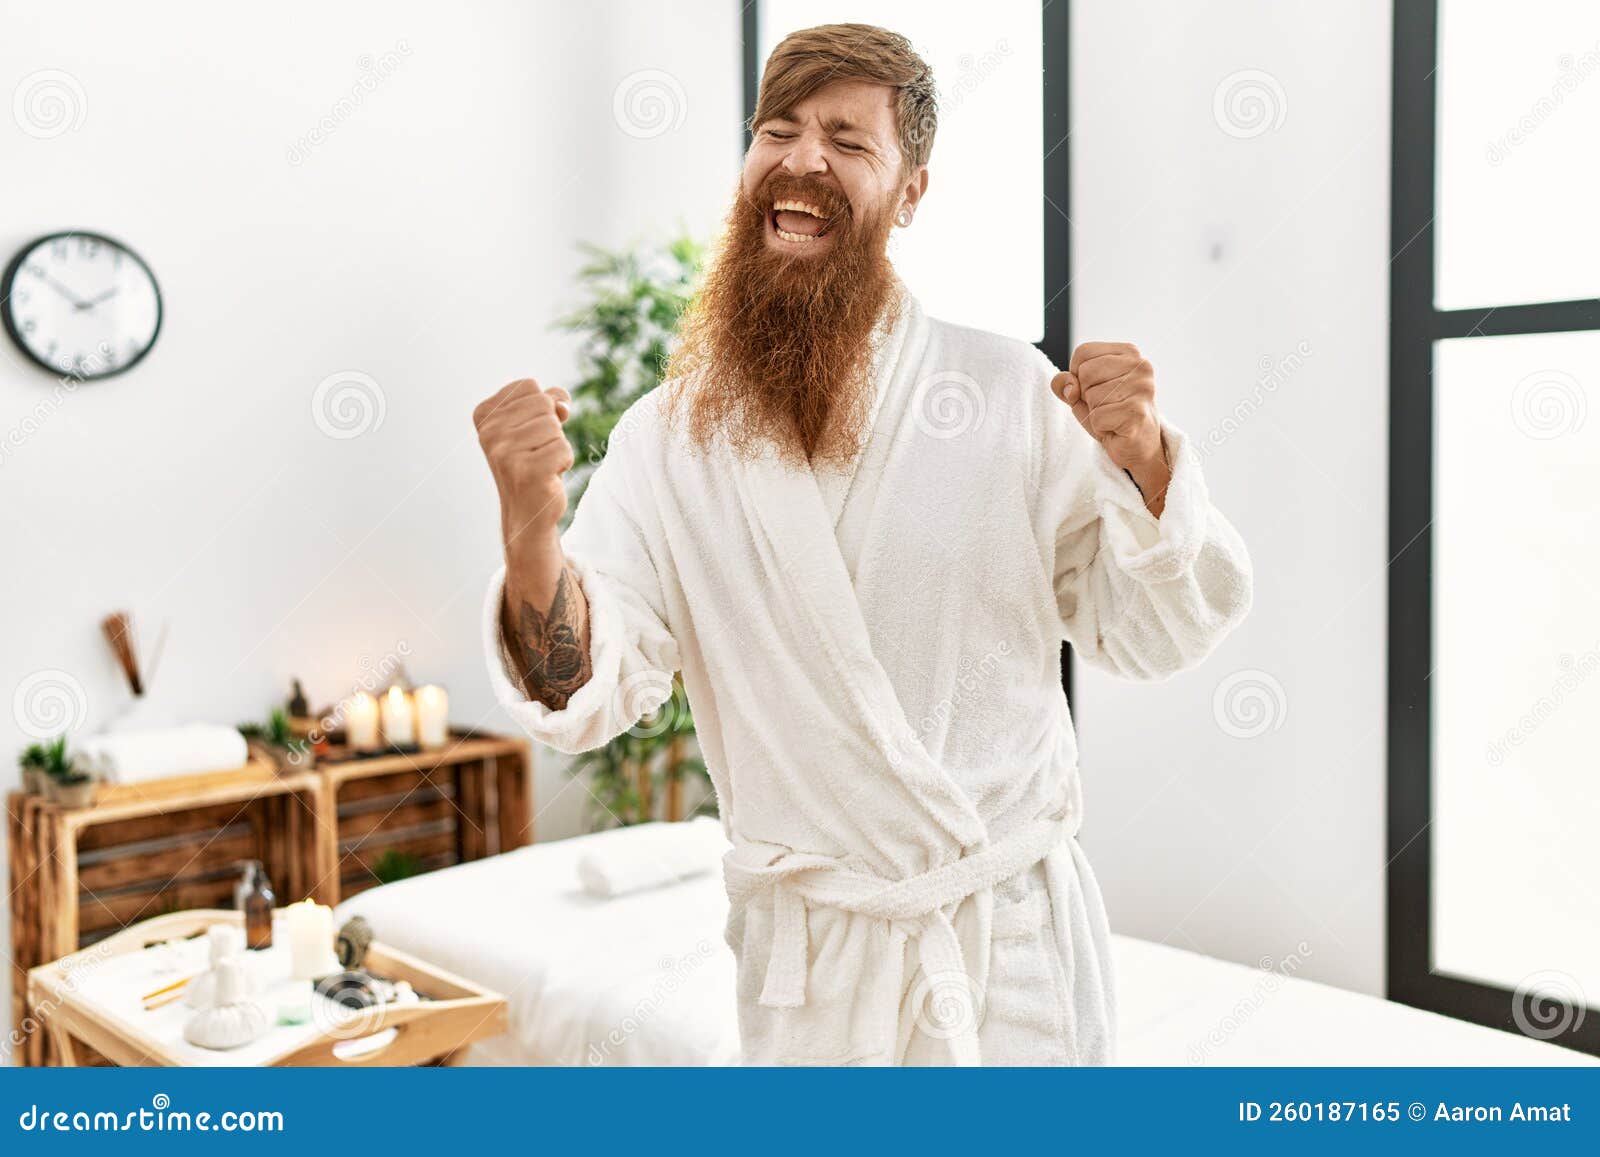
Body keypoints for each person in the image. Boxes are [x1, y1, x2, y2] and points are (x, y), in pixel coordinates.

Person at [473, 23, 1252, 1065]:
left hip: (1007, 954)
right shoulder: (667, 440)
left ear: (911, 191)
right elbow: (588, 690)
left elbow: (1151, 634)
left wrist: (1148, 464)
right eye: (777, 130)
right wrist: (531, 528)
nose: (801, 159)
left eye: (848, 140)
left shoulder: (1005, 391)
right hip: (817, 980)